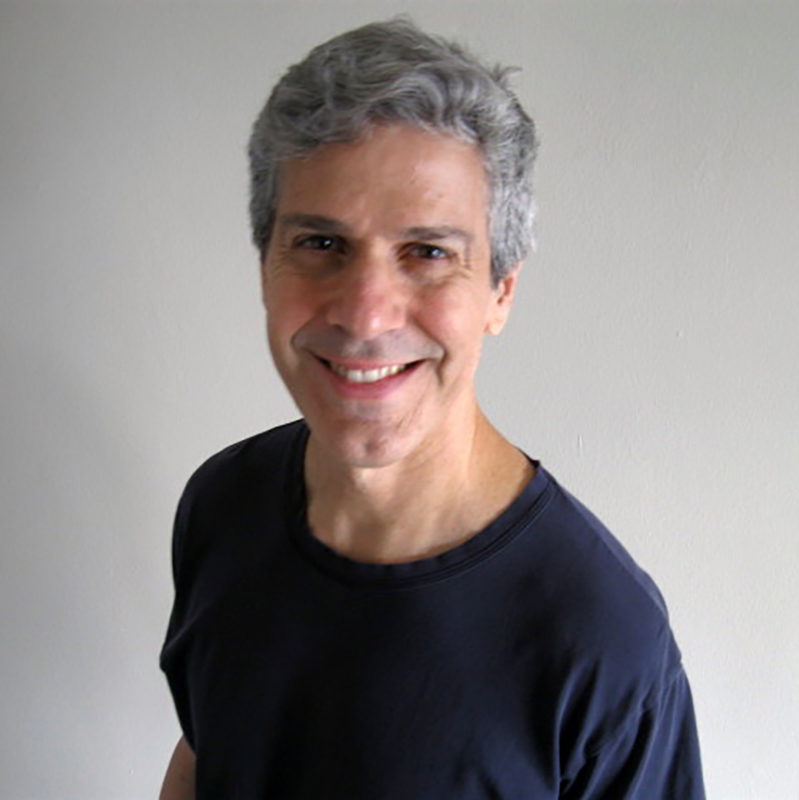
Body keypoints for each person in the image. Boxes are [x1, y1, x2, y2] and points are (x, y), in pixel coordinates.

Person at [159, 18, 705, 800]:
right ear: (264, 266)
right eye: (320, 243)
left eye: (428, 252)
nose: (366, 314)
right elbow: (206, 754)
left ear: (500, 291)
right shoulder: (220, 504)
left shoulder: (600, 638)